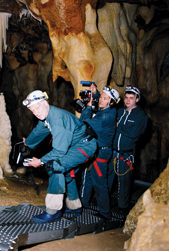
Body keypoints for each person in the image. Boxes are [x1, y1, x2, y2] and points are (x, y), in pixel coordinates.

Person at [22, 90, 97, 223]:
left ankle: (53, 211)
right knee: (67, 173)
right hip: (76, 146)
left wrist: (40, 161)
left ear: (45, 103)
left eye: (37, 108)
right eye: (33, 110)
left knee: (55, 166)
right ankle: (75, 207)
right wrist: (28, 142)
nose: (36, 112)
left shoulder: (57, 119)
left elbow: (59, 152)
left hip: (84, 146)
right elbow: (39, 130)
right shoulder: (47, 116)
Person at [79, 85, 119, 219]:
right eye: (101, 97)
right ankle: (84, 202)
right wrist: (95, 94)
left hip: (101, 154)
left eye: (105, 98)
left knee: (100, 183)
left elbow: (83, 124)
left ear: (111, 102)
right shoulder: (110, 110)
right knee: (90, 178)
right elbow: (101, 103)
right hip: (99, 151)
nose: (100, 100)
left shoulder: (105, 117)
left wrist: (88, 107)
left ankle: (105, 213)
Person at [108, 85, 148, 215]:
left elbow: (134, 133)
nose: (128, 100)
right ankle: (104, 205)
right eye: (126, 98)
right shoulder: (120, 111)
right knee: (107, 180)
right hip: (112, 152)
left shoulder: (140, 116)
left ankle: (122, 208)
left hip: (126, 154)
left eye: (131, 98)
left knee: (124, 183)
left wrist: (118, 126)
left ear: (137, 99)